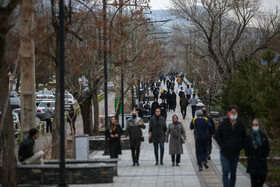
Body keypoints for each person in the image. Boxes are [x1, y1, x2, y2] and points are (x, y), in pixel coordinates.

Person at [215, 105, 247, 187]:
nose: (234, 114)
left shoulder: (241, 125)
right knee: (225, 171)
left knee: (233, 173)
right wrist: (222, 145)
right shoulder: (223, 124)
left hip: (235, 153)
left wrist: (240, 146)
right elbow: (217, 136)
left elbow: (244, 138)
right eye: (232, 112)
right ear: (229, 113)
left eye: (235, 112)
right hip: (224, 152)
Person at [244, 119, 270, 187]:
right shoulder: (249, 136)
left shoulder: (263, 136)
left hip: (261, 161)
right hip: (253, 162)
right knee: (254, 181)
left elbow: (267, 147)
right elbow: (246, 147)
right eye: (253, 125)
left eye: (256, 125)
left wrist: (265, 155)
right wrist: (248, 155)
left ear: (259, 125)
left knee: (262, 178)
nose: (255, 126)